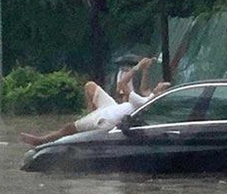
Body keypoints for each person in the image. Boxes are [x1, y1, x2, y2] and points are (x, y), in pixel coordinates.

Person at [20, 57, 171, 147]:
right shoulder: (149, 98)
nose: (159, 85)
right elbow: (145, 88)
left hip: (108, 117)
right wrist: (145, 70)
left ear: (160, 94)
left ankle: (42, 141)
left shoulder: (144, 103)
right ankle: (88, 115)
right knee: (90, 87)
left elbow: (122, 84)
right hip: (113, 108)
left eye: (161, 88)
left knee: (70, 130)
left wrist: (137, 67)